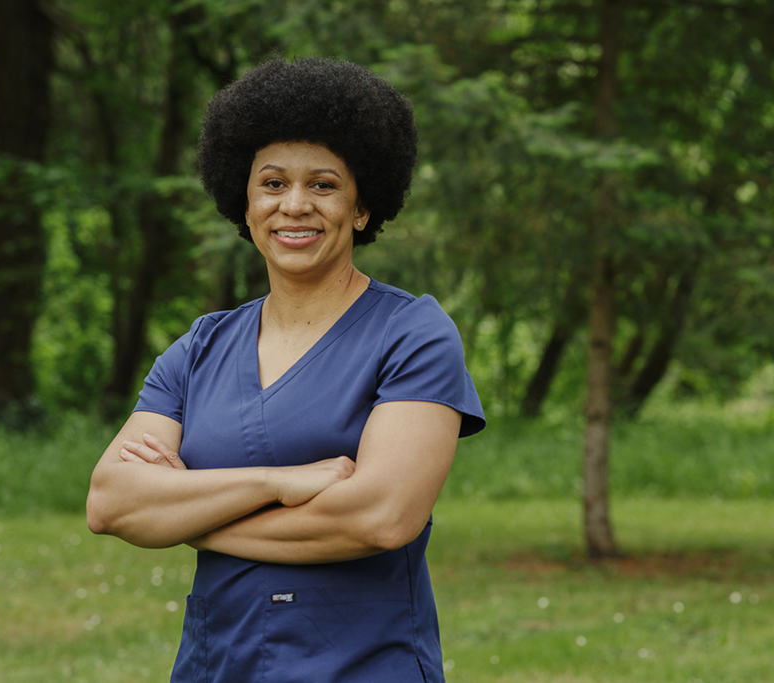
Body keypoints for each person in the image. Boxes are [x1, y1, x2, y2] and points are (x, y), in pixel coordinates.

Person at [86, 57, 485, 683]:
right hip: (217, 666)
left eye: (323, 185)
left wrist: (193, 519)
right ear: (244, 202)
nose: (294, 205)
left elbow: (382, 516)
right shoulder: (200, 348)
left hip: (363, 667)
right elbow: (112, 502)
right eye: (272, 183)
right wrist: (280, 481)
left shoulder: (412, 334)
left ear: (361, 206)